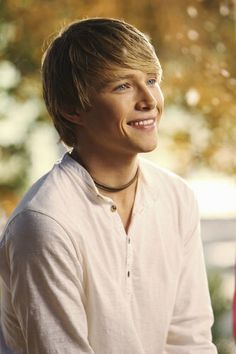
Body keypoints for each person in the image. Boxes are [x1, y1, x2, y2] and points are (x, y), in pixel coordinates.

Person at [0, 17, 217, 354]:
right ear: (74, 109)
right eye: (122, 86)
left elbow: (190, 341)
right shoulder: (44, 223)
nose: (149, 99)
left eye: (151, 80)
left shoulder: (177, 198)